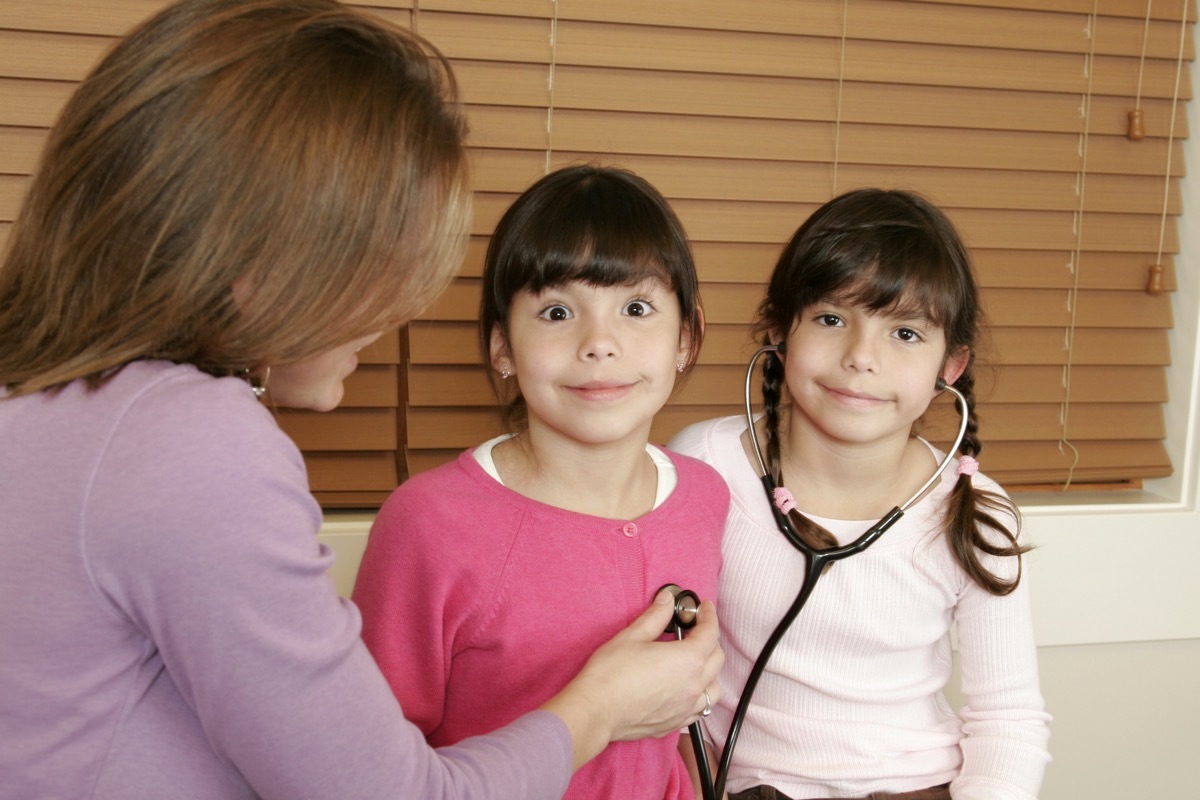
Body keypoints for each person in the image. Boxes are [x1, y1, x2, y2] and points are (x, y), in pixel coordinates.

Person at [0, 3, 723, 798]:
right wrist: (604, 705)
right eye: (385, 261)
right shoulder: (191, 442)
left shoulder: (50, 401)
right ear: (268, 255)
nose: (400, 311)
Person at [353, 165, 729, 800]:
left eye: (636, 308)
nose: (599, 343)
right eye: (558, 311)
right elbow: (373, 766)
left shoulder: (705, 496)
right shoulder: (428, 523)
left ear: (686, 338)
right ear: (503, 347)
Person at [669, 189, 1051, 800]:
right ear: (778, 330)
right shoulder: (702, 466)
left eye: (904, 332)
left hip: (915, 786)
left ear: (949, 367)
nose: (860, 358)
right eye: (830, 319)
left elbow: (1008, 720)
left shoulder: (975, 511)